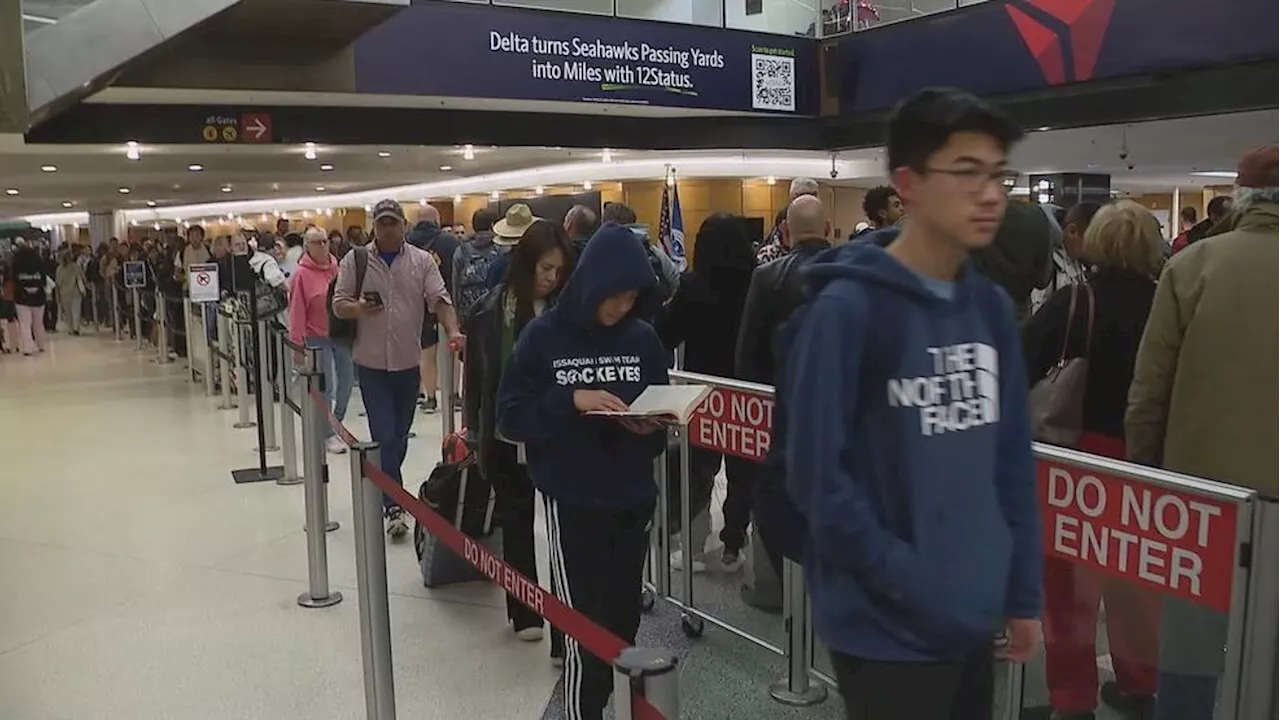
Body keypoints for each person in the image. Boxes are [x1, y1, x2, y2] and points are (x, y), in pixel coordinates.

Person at [782, 87, 1041, 719]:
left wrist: (1021, 592)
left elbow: (1011, 462)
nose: (989, 193)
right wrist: (914, 581)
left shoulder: (989, 310)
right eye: (966, 173)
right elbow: (819, 480)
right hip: (886, 628)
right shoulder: (847, 311)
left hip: (974, 617)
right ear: (909, 183)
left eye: (997, 175)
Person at [1127, 145, 1280, 720]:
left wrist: (1146, 473)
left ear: (1239, 196)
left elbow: (1149, 391)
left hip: (1202, 496)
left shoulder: (1192, 265)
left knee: (1191, 642)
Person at [496, 222, 669, 720]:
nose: (620, 308)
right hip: (572, 502)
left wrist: (648, 428)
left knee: (622, 629)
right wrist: (569, 399)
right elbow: (511, 416)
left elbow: (659, 412)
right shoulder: (543, 337)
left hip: (632, 499)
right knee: (584, 636)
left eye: (631, 297)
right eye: (613, 296)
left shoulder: (643, 340)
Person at [1023, 200, 1164, 720]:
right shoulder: (1165, 301)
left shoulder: (1075, 301)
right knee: (1138, 581)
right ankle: (1139, 683)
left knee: (1066, 590)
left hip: (1075, 458)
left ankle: (1072, 699)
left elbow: (1022, 361)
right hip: (1147, 461)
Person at [463, 219, 573, 656]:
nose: (552, 278)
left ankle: (567, 629)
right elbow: (476, 380)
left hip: (559, 436)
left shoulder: (567, 310)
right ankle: (524, 610)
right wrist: (475, 435)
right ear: (526, 264)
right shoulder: (491, 311)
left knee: (563, 533)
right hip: (506, 434)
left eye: (559, 270)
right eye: (546, 268)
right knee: (518, 523)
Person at [332, 199, 461, 539]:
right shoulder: (355, 260)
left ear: (404, 225)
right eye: (382, 222)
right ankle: (393, 505)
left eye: (393, 222)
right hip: (371, 364)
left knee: (399, 436)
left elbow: (440, 299)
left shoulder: (421, 262)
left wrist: (453, 329)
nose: (387, 228)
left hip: (407, 362)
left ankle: (386, 487)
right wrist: (358, 308)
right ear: (374, 225)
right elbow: (339, 304)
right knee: (384, 432)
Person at [735, 194, 835, 604]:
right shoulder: (856, 274)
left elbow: (746, 353)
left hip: (786, 413)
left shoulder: (768, 276)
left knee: (778, 500)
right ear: (828, 229)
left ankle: (783, 591)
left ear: (786, 231)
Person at [655, 213, 757, 572]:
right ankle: (732, 544)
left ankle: (695, 549)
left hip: (703, 394)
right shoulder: (756, 282)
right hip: (748, 396)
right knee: (743, 473)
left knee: (698, 473)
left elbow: (667, 334)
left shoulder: (693, 285)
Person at [289, 227, 355, 455]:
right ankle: (327, 433)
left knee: (347, 382)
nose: (323, 246)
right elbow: (296, 311)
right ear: (307, 246)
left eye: (325, 241)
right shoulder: (301, 275)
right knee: (326, 388)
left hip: (340, 335)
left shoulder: (339, 268)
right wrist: (297, 345)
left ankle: (335, 422)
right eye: (317, 242)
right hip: (316, 337)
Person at [406, 204, 460, 414]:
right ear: (436, 221)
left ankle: (429, 397)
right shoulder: (450, 241)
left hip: (418, 305)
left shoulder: (407, 242)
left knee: (426, 354)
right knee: (452, 350)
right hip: (446, 302)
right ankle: (454, 394)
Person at [1031, 201, 1102, 313]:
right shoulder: (1045, 261)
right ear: (1072, 232)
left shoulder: (1079, 262)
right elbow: (1035, 313)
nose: (1095, 251)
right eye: (1091, 242)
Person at [452, 208, 508, 322]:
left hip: (469, 313)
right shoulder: (501, 249)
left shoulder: (461, 250)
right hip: (495, 313)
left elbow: (455, 285)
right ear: (492, 225)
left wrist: (457, 316)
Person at [757, 177, 821, 265]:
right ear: (784, 227)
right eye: (801, 197)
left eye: (811, 197)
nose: (806, 203)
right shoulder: (769, 255)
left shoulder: (825, 256)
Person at [12, 241, 49, 355]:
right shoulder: (39, 264)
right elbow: (44, 280)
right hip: (38, 298)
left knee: (25, 324)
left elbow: (14, 280)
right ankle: (41, 344)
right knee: (38, 322)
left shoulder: (16, 263)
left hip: (22, 298)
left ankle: (27, 348)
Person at [55, 250, 86, 335]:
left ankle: (71, 328)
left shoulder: (59, 269)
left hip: (64, 293)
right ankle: (76, 327)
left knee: (68, 312)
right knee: (76, 311)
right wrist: (85, 288)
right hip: (75, 291)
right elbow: (81, 278)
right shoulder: (76, 266)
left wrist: (57, 295)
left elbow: (57, 283)